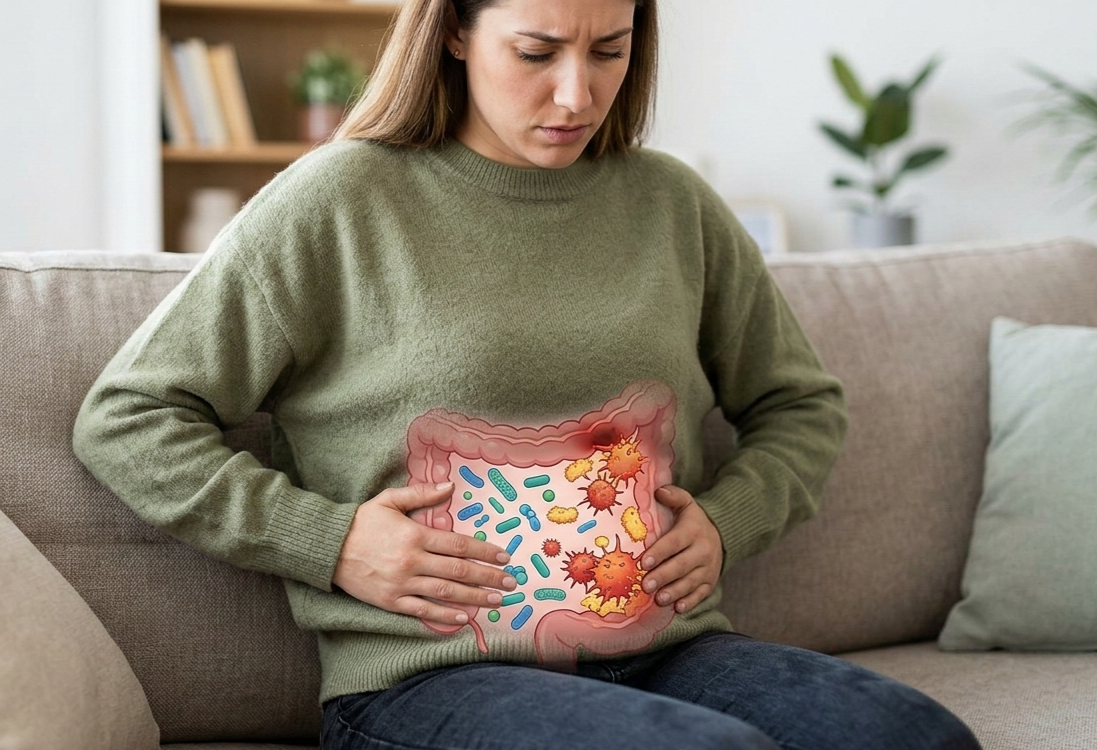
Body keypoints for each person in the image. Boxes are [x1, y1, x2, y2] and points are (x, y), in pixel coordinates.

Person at [73, 0, 982, 748]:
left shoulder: (672, 207)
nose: (575, 92)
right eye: (537, 51)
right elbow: (129, 417)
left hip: (668, 647)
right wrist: (332, 542)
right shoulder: (340, 201)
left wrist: (729, 519)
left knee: (916, 736)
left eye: (610, 50)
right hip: (426, 685)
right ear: (458, 33)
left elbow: (800, 405)